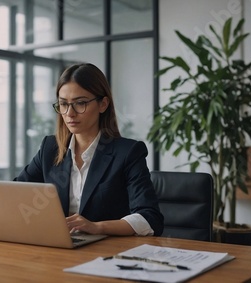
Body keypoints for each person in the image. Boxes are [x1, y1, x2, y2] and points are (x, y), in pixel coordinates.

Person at [15, 63, 164, 236]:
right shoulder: (50, 148)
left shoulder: (128, 153)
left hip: (107, 251)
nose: (69, 113)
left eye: (80, 103)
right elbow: (17, 194)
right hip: (59, 247)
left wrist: (97, 227)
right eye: (63, 104)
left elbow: (150, 218)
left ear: (103, 104)